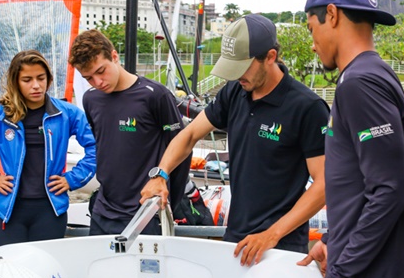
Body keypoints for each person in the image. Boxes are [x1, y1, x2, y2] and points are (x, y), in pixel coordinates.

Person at [139, 14, 328, 264]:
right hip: (237, 237)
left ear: (270, 57)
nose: (237, 76)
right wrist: (161, 174)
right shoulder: (234, 92)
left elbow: (323, 184)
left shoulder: (308, 107)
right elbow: (190, 134)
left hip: (281, 245)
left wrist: (272, 235)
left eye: (243, 68)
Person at [302, 0, 404, 278]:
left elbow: (390, 189)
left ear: (331, 15)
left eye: (311, 28)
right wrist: (334, 242)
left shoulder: (359, 83)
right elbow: (366, 185)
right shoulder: (371, 75)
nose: (312, 42)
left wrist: (343, 272)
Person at [0, 49, 96, 248]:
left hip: (51, 211)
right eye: (27, 80)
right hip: (10, 211)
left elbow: (96, 147)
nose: (36, 85)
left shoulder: (68, 113)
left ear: (48, 79)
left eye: (41, 78)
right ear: (15, 82)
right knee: (2, 266)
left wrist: (73, 179)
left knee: (45, 268)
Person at [68, 29, 188, 235]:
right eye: (89, 78)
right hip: (103, 212)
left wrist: (173, 203)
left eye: (101, 71)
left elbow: (182, 148)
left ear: (114, 56)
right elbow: (104, 147)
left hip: (145, 211)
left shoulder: (155, 95)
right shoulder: (90, 99)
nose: (98, 82)